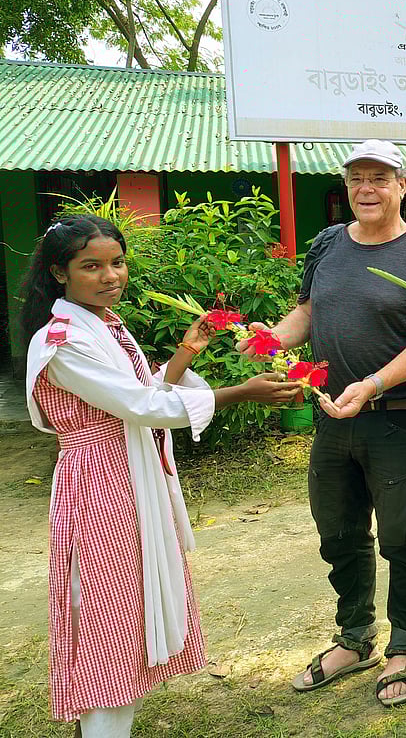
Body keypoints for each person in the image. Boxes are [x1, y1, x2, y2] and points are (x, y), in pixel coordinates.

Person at [20, 214, 302, 738]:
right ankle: (102, 723)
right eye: (91, 267)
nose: (111, 277)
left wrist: (186, 353)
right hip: (99, 487)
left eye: (117, 263)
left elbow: (141, 395)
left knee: (129, 605)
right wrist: (238, 392)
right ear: (59, 273)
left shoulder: (102, 323)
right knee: (106, 612)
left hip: (128, 476)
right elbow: (139, 405)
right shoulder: (62, 340)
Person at [244, 140, 406, 706]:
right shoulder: (327, 245)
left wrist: (373, 385)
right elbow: (308, 312)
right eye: (357, 178)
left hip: (398, 417)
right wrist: (270, 340)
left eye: (380, 179)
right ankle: (355, 637)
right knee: (338, 531)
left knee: (402, 535)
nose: (367, 189)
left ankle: (405, 645)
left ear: (402, 186)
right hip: (332, 415)